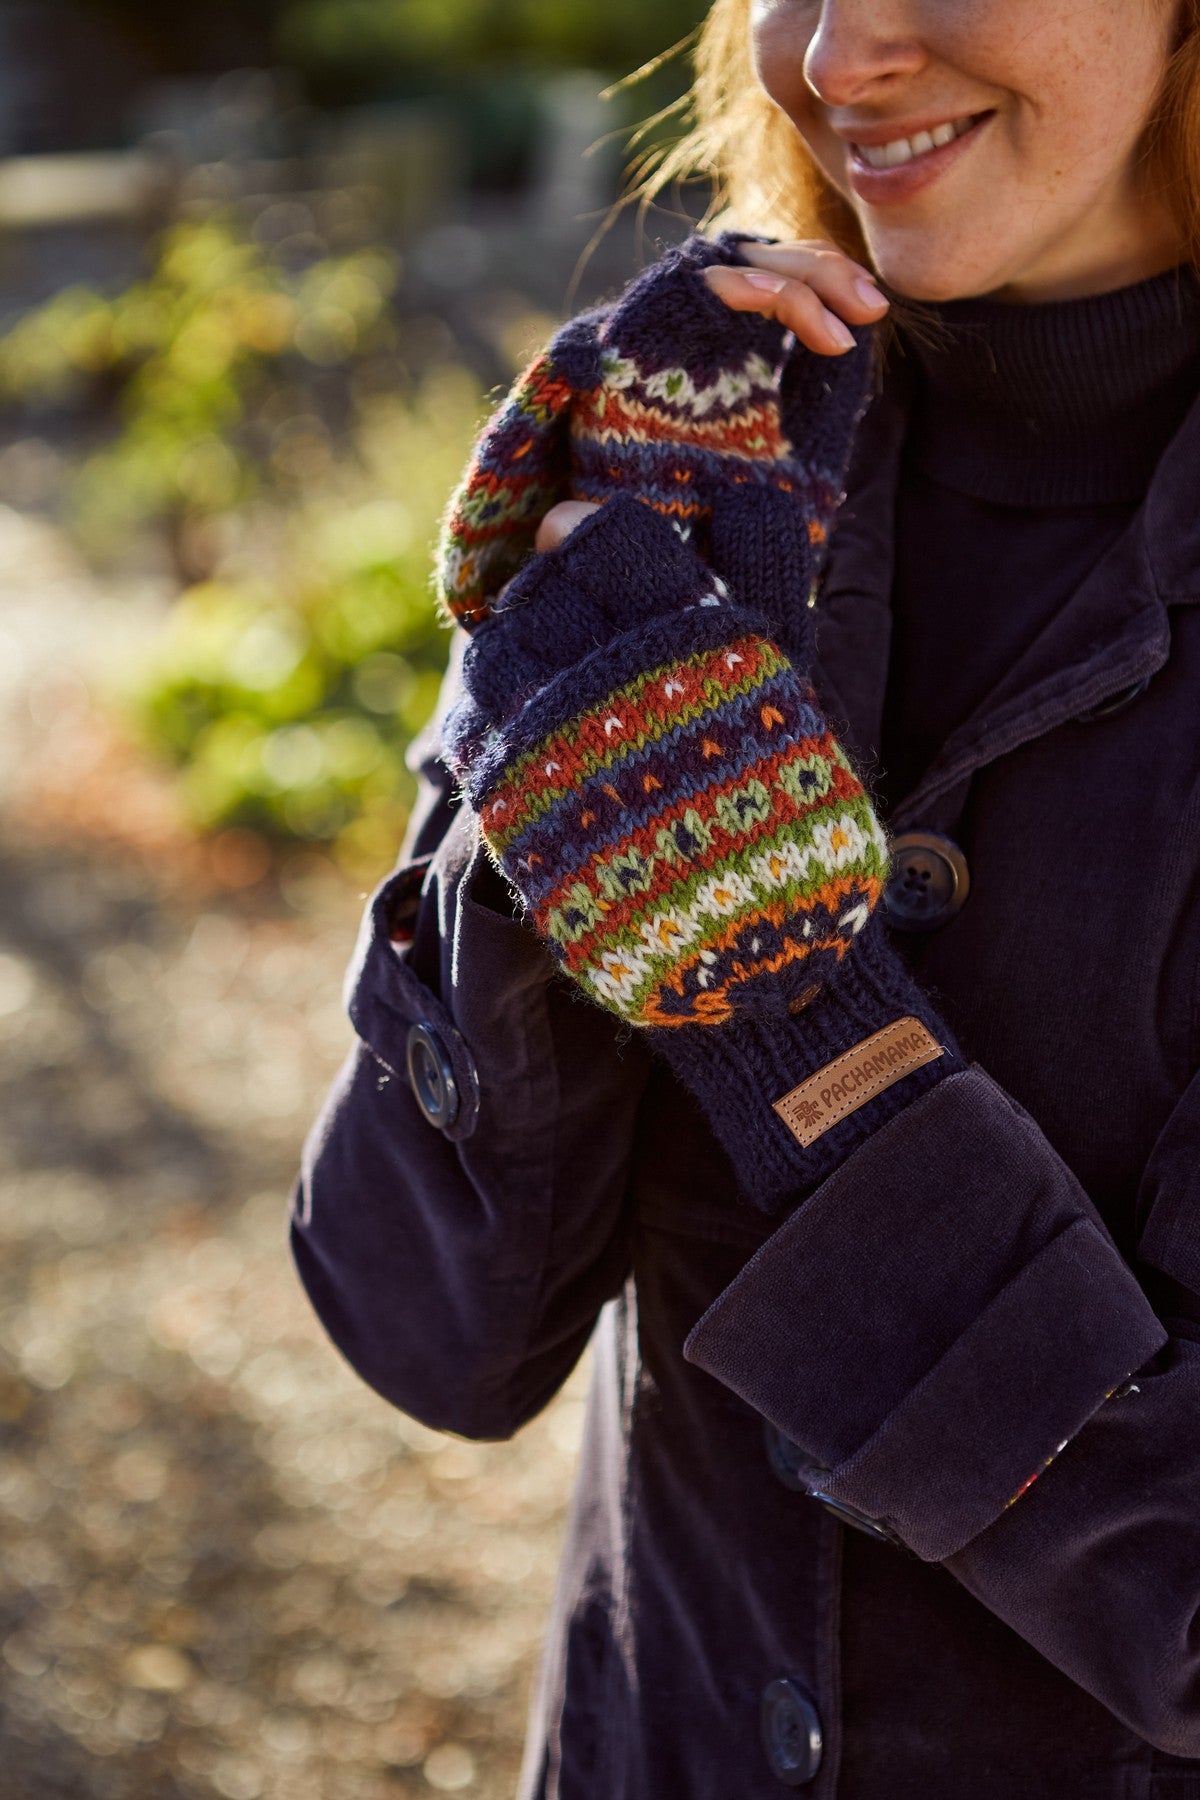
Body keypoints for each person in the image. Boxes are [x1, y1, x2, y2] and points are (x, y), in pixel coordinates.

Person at [290, 0, 1200, 1792]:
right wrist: (542, 741)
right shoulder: (721, 447)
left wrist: (781, 1008)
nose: (842, 53)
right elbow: (425, 1326)